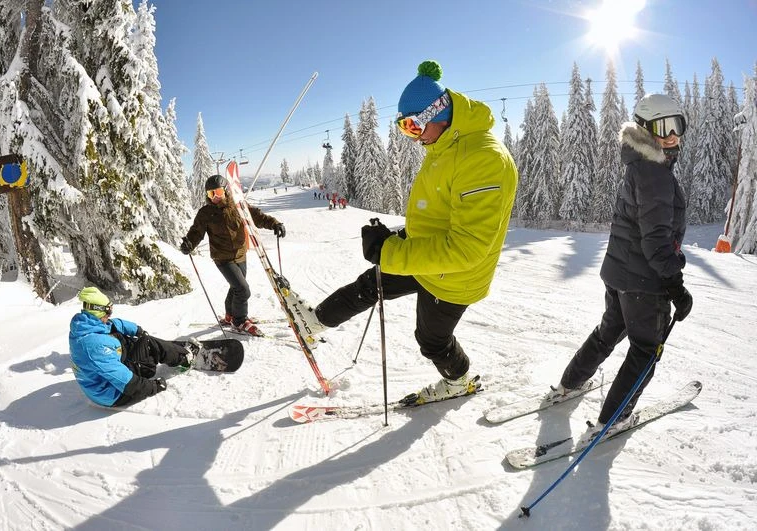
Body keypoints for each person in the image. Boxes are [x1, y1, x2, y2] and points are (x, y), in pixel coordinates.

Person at [306, 60, 518, 402]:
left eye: (412, 126)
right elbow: (438, 209)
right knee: (371, 282)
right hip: (427, 254)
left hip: (454, 276)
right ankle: (316, 322)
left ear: (437, 112)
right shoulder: (444, 145)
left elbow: (467, 248)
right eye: (404, 128)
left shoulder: (483, 159)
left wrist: (391, 251)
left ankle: (458, 381)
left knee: (431, 339)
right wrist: (396, 237)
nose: (411, 135)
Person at [554, 93, 693, 435]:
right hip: (644, 283)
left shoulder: (640, 165)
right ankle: (613, 419)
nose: (673, 135)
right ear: (645, 129)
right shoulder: (655, 174)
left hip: (619, 274)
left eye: (678, 125)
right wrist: (675, 284)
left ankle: (569, 384)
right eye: (664, 127)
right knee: (645, 350)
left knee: (608, 333)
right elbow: (655, 239)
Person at [181, 174, 286, 336]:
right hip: (222, 258)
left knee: (236, 287)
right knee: (243, 290)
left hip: (240, 254)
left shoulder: (238, 206)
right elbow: (196, 232)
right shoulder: (206, 213)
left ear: (225, 191)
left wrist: (274, 224)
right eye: (211, 194)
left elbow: (257, 217)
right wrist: (189, 243)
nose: (215, 197)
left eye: (217, 192)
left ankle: (230, 315)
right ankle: (239, 321)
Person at [69, 287, 196, 407]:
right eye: (108, 312)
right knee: (148, 345)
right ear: (97, 311)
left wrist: (137, 330)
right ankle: (185, 358)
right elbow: (125, 380)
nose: (109, 315)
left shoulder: (85, 327)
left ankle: (167, 350)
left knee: (126, 337)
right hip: (115, 393)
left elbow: (115, 324)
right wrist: (153, 387)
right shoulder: (94, 346)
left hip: (104, 384)